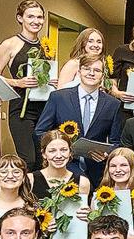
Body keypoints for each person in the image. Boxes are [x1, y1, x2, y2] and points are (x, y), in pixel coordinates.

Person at [34, 54, 123, 185]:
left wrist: (106, 155)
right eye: (87, 69)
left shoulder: (113, 104)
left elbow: (116, 142)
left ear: (103, 76)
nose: (91, 73)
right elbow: (40, 131)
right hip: (63, 167)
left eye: (97, 70)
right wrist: (58, 150)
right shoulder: (58, 98)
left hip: (97, 171)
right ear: (79, 72)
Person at [0, 0, 55, 170]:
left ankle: (39, 197)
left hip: (44, 108)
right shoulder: (9, 44)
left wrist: (50, 82)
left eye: (40, 17)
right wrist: (17, 82)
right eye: (30, 16)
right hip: (21, 108)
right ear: (20, 18)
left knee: (43, 160)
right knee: (28, 159)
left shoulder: (46, 45)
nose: (36, 21)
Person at [27, 130, 92, 239]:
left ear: (70, 153)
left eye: (63, 150)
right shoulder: (30, 180)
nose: (58, 155)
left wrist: (88, 215)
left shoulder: (82, 182)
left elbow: (85, 219)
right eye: (52, 151)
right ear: (44, 154)